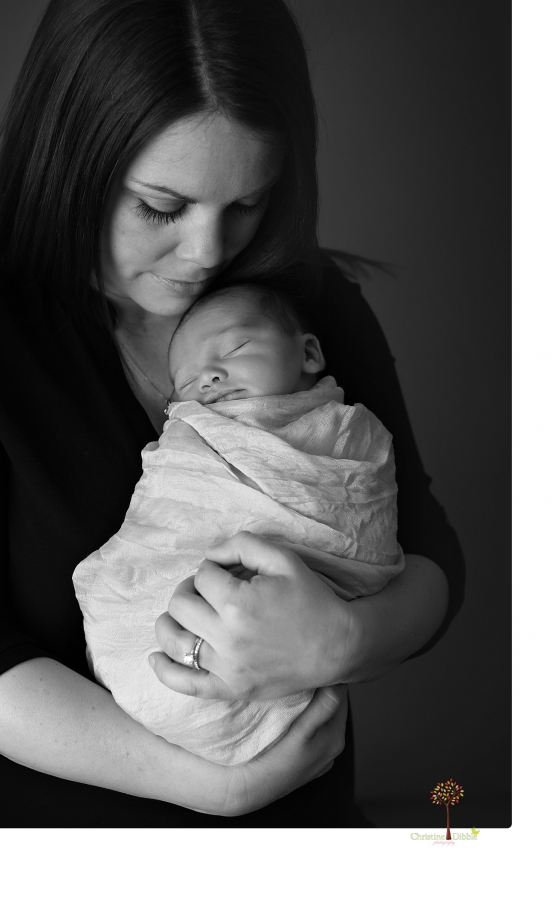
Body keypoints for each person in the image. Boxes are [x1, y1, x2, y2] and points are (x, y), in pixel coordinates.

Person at [0, 0, 464, 827]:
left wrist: (345, 638)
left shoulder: (304, 313)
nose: (209, 253)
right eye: (161, 207)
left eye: (246, 203)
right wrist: (216, 789)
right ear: (71, 162)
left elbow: (430, 547)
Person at [74, 283, 405, 766]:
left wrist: (339, 639)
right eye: (186, 383)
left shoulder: (348, 433)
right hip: (140, 673)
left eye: (234, 348)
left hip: (290, 691)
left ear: (309, 353)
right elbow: (167, 513)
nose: (208, 378)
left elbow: (371, 524)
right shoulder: (195, 437)